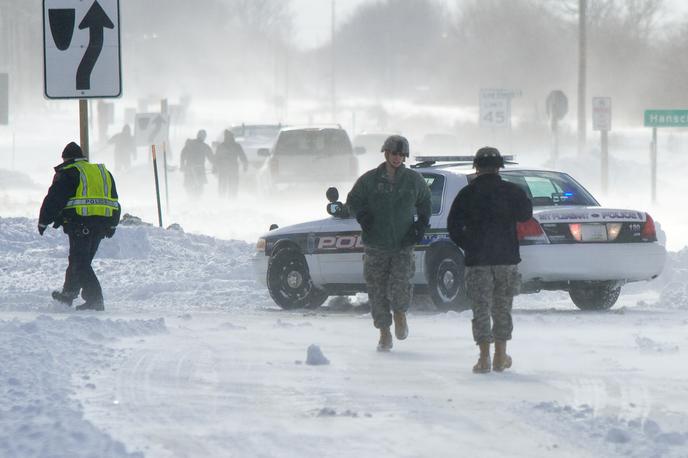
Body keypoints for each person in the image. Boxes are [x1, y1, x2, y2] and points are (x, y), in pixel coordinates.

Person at [447, 147, 532, 373]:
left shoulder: (466, 194)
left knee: (481, 309)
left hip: (477, 262)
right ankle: (500, 356)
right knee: (502, 307)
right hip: (506, 260)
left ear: (476, 167)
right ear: (499, 167)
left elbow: (453, 227)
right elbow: (526, 214)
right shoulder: (512, 191)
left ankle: (484, 357)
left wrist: (470, 244)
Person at [346, 135, 432, 351]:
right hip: (376, 243)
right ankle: (384, 332)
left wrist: (420, 225)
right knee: (377, 289)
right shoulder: (370, 180)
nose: (397, 158)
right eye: (394, 153)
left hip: (403, 243)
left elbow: (425, 202)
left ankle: (400, 314)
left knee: (401, 283)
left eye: (401, 155)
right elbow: (353, 200)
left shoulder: (413, 180)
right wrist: (363, 215)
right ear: (386, 153)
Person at [38, 142, 121, 311]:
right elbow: (114, 201)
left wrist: (43, 221)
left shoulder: (69, 172)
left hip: (81, 224)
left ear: (66, 159)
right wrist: (112, 224)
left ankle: (95, 299)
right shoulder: (102, 172)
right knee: (80, 261)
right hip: (101, 226)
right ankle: (68, 294)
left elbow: (54, 199)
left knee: (79, 263)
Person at [214, 129, 248, 198]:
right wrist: (245, 165)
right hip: (229, 168)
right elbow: (216, 158)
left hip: (228, 168)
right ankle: (226, 198)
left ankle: (227, 198)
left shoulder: (223, 146)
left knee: (228, 184)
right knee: (228, 184)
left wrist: (245, 165)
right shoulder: (232, 146)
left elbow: (216, 158)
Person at [179, 129, 214, 196]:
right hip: (199, 169)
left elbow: (183, 155)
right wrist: (216, 166)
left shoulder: (190, 144)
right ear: (204, 137)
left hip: (190, 168)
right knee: (199, 185)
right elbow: (211, 158)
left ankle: (192, 197)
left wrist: (182, 165)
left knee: (190, 184)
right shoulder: (205, 146)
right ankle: (196, 197)